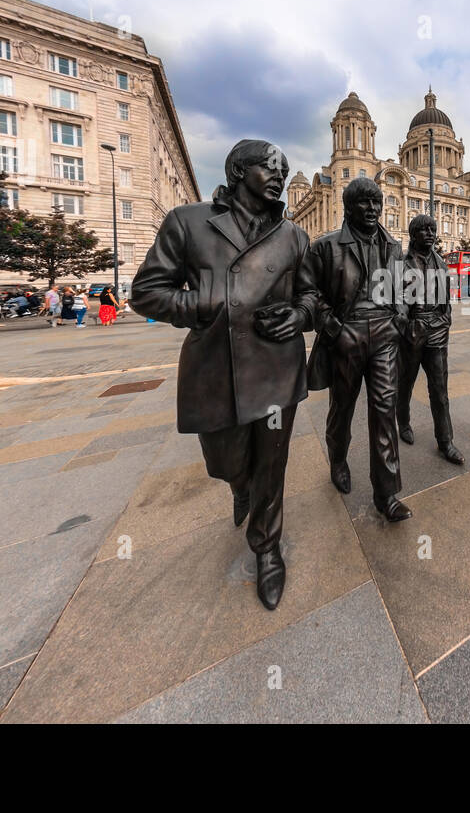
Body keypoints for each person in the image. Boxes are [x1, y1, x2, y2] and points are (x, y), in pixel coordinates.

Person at [130, 138, 312, 611]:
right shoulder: (188, 222)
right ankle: (238, 487)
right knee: (227, 461)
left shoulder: (293, 235)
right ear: (237, 170)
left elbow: (312, 295)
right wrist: (206, 304)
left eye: (285, 170)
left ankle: (267, 548)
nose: (280, 176)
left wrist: (300, 315)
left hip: (277, 367)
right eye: (269, 167)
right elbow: (147, 292)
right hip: (216, 367)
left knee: (272, 464)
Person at [297, 176, 412, 522]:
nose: (373, 209)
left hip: (384, 335)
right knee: (342, 409)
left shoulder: (392, 247)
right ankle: (338, 459)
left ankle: (387, 493)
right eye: (364, 202)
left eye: (377, 202)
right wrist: (334, 328)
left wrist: (399, 321)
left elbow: (404, 290)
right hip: (346, 336)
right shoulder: (325, 247)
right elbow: (309, 293)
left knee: (384, 411)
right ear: (348, 207)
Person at [396, 214, 464, 465]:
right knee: (405, 383)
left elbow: (446, 297)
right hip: (412, 330)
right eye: (424, 229)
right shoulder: (400, 262)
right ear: (413, 234)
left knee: (439, 390)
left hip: (437, 330)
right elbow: (396, 298)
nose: (430, 233)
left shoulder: (441, 262)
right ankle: (403, 421)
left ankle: (446, 441)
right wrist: (405, 324)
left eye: (432, 229)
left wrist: (446, 319)